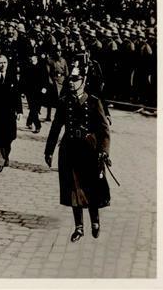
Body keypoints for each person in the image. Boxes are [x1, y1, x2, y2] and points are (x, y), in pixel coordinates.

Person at [44, 65, 111, 243]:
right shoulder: (64, 101)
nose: (72, 83)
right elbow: (56, 127)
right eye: (70, 80)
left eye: (75, 80)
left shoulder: (94, 101)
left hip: (89, 152)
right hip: (69, 151)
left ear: (83, 81)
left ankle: (95, 222)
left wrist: (104, 151)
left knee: (91, 189)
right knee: (74, 189)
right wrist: (49, 150)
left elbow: (105, 130)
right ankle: (79, 227)